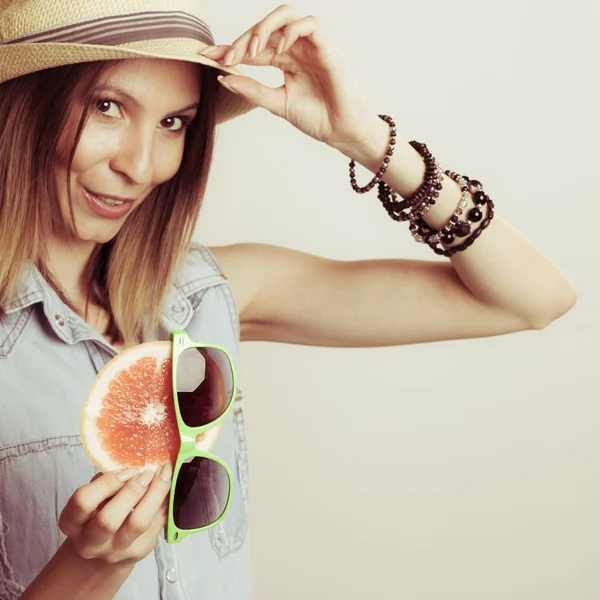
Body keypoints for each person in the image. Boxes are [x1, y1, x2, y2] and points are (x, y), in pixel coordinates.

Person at [0, 1, 576, 599]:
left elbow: (531, 299)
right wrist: (94, 565)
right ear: (22, 104)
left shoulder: (207, 294)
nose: (142, 165)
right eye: (108, 107)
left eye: (175, 122)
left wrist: (371, 142)